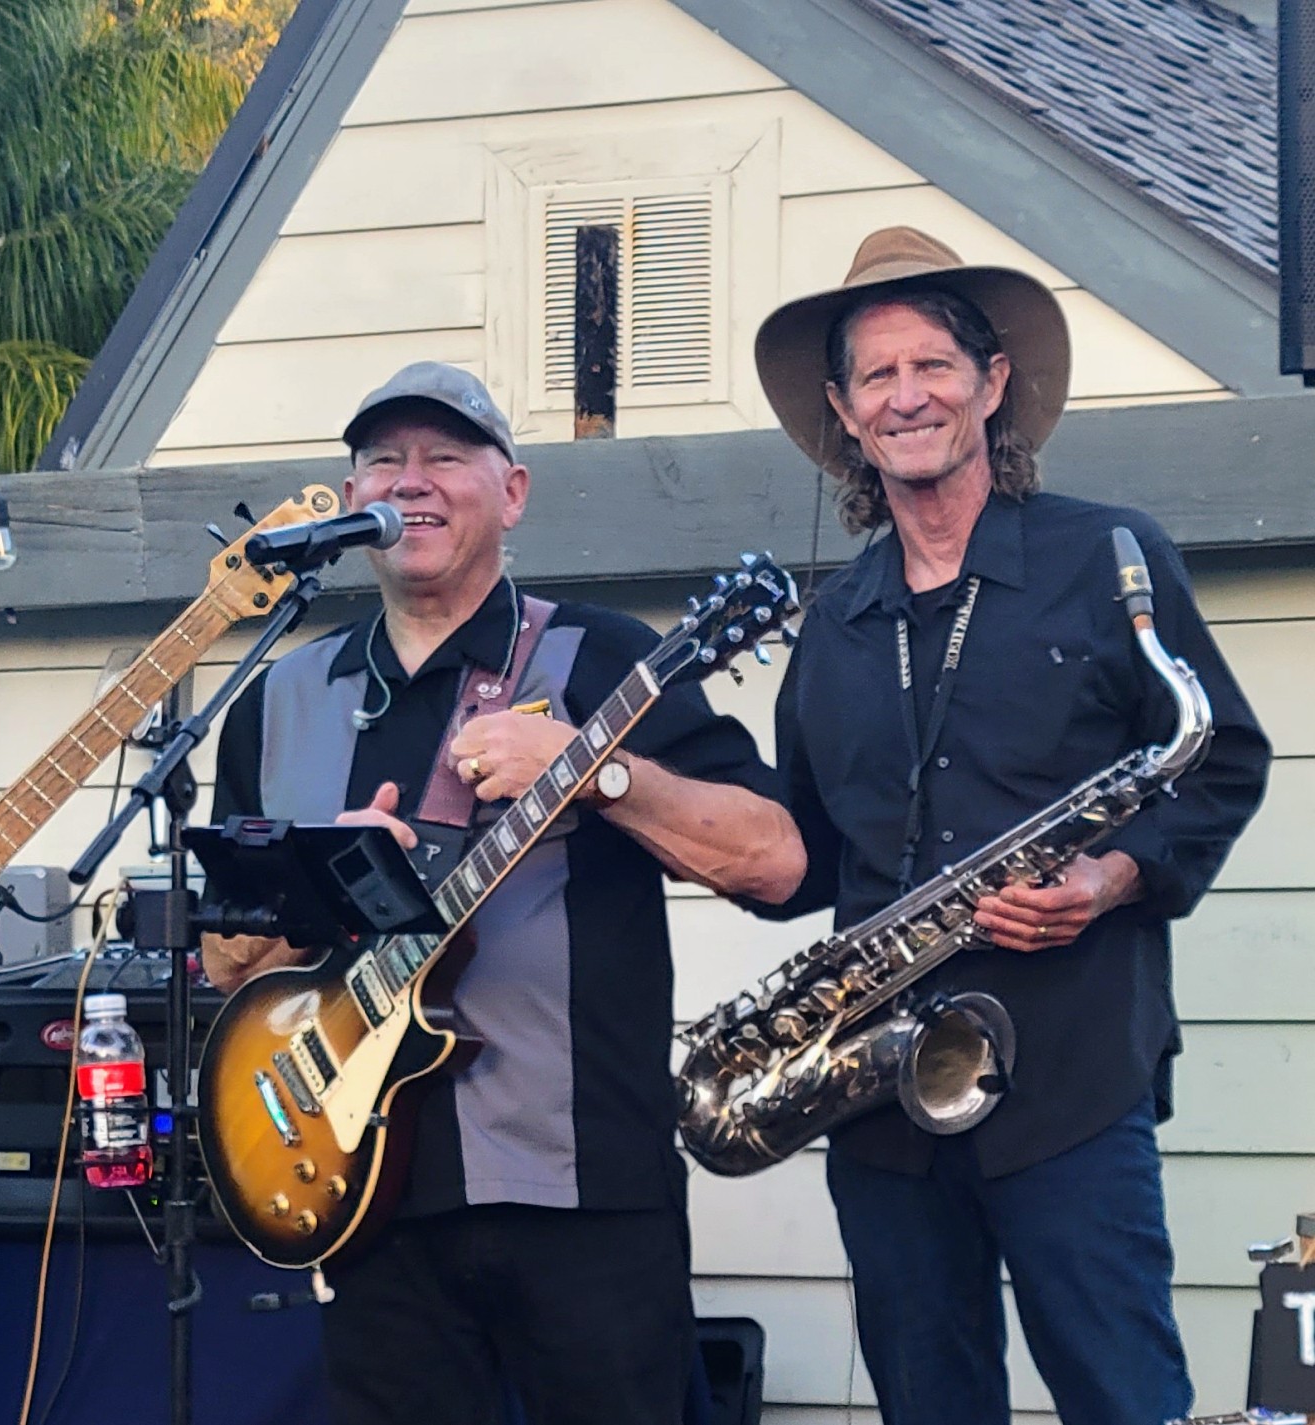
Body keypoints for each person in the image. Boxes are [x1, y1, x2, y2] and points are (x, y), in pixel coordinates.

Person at [201, 361, 806, 1425]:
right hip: (357, 1191)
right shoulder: (280, 697)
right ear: (353, 502)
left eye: (445, 455)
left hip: (583, 1190)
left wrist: (593, 767)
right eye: (384, 459)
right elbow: (223, 958)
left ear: (514, 491)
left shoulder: (606, 660)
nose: (412, 480)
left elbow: (776, 858)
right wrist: (319, 887)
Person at [750, 227, 1271, 1425]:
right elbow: (803, 855)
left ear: (992, 384)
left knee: (1122, 1398)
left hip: (1073, 1076)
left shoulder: (1108, 556)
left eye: (933, 364)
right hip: (881, 1096)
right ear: (843, 410)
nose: (907, 395)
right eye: (876, 376)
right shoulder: (835, 625)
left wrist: (1112, 880)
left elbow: (1224, 753)